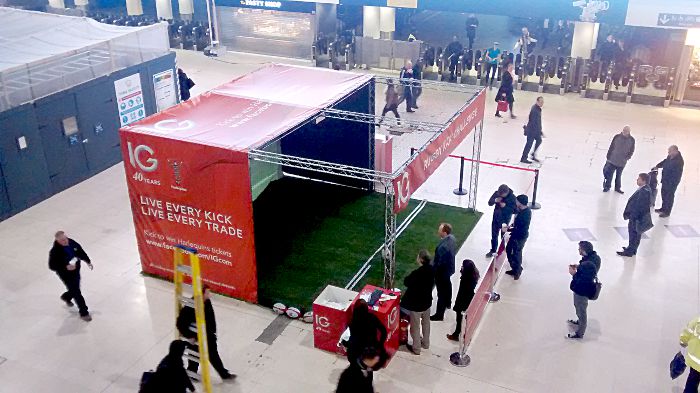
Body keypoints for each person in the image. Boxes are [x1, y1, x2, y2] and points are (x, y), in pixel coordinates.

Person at [177, 285, 236, 381]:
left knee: (213, 355)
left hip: (208, 335)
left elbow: (211, 318)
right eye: (207, 293)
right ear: (202, 294)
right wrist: (189, 336)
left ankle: (224, 374)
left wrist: (213, 333)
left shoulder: (207, 302)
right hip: (195, 336)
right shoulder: (190, 306)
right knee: (194, 356)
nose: (210, 295)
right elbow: (180, 323)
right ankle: (192, 374)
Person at [48, 231, 93, 322]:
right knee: (77, 292)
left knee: (74, 289)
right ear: (58, 241)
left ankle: (66, 297)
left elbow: (80, 251)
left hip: (76, 271)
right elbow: (52, 266)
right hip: (66, 274)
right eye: (63, 240)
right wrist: (65, 267)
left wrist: (88, 261)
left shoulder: (71, 242)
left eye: (66, 239)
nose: (65, 241)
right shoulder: (55, 252)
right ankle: (84, 312)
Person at [400, 250, 435, 355]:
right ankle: (426, 343)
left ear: (421, 259)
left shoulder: (417, 273)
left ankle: (416, 348)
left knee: (415, 327)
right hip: (427, 302)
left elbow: (407, 282)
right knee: (426, 323)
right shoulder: (432, 270)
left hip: (417, 305)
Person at [566, 241, 601, 340]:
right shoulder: (594, 259)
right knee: (580, 309)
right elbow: (589, 272)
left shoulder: (588, 264)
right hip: (585, 289)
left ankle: (580, 333)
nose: (579, 251)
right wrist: (579, 267)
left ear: (584, 251)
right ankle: (580, 321)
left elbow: (582, 280)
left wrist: (573, 273)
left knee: (581, 309)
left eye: (580, 249)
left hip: (582, 291)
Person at [617, 173, 653, 257]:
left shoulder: (644, 191)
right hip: (636, 216)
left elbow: (640, 206)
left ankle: (630, 251)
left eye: (639, 179)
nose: (637, 180)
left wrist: (633, 216)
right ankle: (632, 248)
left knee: (634, 233)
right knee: (635, 234)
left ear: (644, 181)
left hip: (636, 217)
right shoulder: (644, 189)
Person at [346, 299, 388, 367]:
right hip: (371, 349)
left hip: (357, 350)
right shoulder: (372, 317)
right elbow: (383, 331)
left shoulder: (352, 321)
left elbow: (353, 337)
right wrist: (381, 344)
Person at [447, 260, 480, 341]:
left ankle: (456, 335)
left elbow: (462, 291)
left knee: (459, 319)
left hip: (462, 301)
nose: (462, 267)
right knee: (466, 319)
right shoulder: (474, 275)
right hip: (469, 299)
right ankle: (466, 334)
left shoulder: (466, 278)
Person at [430, 223, 457, 321]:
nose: (438, 231)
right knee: (447, 285)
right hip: (449, 269)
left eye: (440, 230)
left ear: (444, 232)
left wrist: (434, 270)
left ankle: (439, 314)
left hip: (442, 272)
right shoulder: (452, 239)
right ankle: (448, 303)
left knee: (441, 292)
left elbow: (440, 262)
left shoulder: (443, 246)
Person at [486, 184, 517, 258]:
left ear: (506, 192)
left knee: (503, 236)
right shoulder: (497, 193)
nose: (500, 195)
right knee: (494, 236)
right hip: (496, 219)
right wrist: (495, 200)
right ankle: (493, 250)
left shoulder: (512, 198)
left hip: (505, 221)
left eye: (502, 195)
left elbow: (515, 210)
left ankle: (502, 249)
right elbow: (489, 203)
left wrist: (505, 207)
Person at [506, 195, 531, 280]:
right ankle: (515, 268)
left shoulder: (525, 214)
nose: (516, 202)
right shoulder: (522, 210)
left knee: (516, 253)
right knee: (509, 250)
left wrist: (509, 230)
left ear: (520, 203)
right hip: (516, 235)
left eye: (517, 201)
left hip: (519, 237)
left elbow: (520, 227)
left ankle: (517, 270)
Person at [654, 145, 684, 218]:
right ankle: (663, 208)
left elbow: (676, 174)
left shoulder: (679, 161)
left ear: (675, 151)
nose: (668, 152)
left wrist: (672, 182)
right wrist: (657, 166)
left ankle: (667, 212)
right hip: (665, 180)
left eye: (670, 151)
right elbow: (665, 162)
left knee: (669, 196)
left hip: (672, 182)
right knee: (663, 194)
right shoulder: (670, 156)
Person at [603, 125, 635, 193]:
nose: (624, 132)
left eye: (626, 131)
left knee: (618, 175)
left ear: (629, 132)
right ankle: (607, 186)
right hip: (613, 159)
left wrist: (628, 157)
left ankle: (617, 188)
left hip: (622, 161)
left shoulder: (632, 140)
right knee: (610, 174)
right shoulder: (617, 137)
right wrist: (608, 155)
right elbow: (612, 146)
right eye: (624, 130)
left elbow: (632, 150)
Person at [520, 96, 544, 164]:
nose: (542, 103)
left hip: (536, 130)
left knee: (539, 140)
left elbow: (538, 121)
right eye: (541, 102)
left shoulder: (538, 109)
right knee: (529, 144)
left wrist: (540, 130)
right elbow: (533, 122)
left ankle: (533, 154)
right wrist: (538, 131)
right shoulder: (534, 110)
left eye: (543, 102)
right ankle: (523, 158)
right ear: (537, 101)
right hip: (532, 130)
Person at [680, 316, 700, 393]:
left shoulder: (696, 322)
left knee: (692, 382)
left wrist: (683, 342)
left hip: (695, 363)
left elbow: (685, 334)